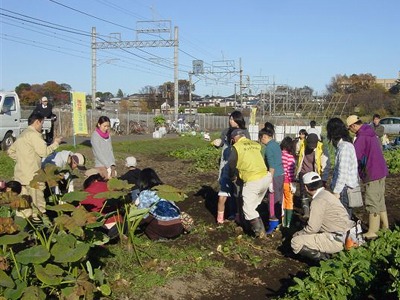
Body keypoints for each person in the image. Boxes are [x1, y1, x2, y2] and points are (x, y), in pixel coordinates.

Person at [7, 112, 62, 220]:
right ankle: (39, 231)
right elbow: (44, 152)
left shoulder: (22, 134)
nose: (42, 127)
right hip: (33, 178)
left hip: (20, 177)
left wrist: (22, 159)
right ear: (37, 122)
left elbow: (10, 151)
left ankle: (24, 232)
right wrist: (56, 143)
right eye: (42, 123)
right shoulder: (34, 135)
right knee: (38, 207)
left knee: (23, 207)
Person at [291, 172, 355, 262]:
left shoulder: (317, 201)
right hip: (350, 234)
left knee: (295, 242)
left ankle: (326, 262)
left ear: (306, 187)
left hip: (338, 239)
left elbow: (312, 228)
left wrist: (298, 234)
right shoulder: (328, 194)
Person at [347, 115, 389, 239]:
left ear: (354, 125)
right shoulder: (370, 132)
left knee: (372, 202)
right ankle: (385, 227)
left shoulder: (361, 137)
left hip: (372, 172)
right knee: (380, 200)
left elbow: (355, 157)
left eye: (350, 128)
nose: (350, 131)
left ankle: (373, 231)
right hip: (381, 171)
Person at [228, 129, 271, 238]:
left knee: (247, 208)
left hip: (253, 179)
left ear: (234, 139)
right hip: (265, 176)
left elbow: (232, 163)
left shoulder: (237, 147)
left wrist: (233, 175)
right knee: (253, 205)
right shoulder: (255, 144)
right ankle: (260, 228)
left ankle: (259, 232)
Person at [212, 110, 250, 224]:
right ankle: (230, 214)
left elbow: (246, 148)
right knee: (226, 188)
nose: (230, 121)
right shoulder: (226, 131)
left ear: (238, 120)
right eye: (230, 118)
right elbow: (223, 143)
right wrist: (219, 143)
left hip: (239, 165)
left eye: (233, 119)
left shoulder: (244, 132)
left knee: (238, 190)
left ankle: (239, 215)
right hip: (226, 164)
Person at [136, 168, 184, 240]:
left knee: (143, 218)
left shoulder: (144, 193)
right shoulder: (164, 190)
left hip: (165, 229)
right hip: (179, 226)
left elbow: (142, 213)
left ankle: (156, 237)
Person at [326, 118, 359, 218]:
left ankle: (346, 234)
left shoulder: (344, 147)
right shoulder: (343, 146)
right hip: (343, 189)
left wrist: (336, 192)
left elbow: (343, 173)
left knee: (343, 218)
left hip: (344, 190)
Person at [295, 133, 330, 219]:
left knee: (316, 192)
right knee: (303, 191)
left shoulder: (321, 148)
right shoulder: (301, 144)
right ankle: (306, 212)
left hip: (315, 173)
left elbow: (326, 164)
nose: (311, 147)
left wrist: (324, 179)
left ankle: (316, 210)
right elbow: (296, 152)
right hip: (303, 171)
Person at [81, 169, 122, 239]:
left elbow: (79, 208)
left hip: (102, 227)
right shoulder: (111, 187)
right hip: (119, 224)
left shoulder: (85, 193)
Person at [259, 128, 284, 234]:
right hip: (281, 175)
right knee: (279, 199)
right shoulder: (276, 144)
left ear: (264, 137)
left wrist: (269, 181)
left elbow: (272, 166)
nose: (261, 141)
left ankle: (273, 222)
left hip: (274, 176)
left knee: (272, 200)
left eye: (261, 138)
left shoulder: (269, 148)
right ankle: (279, 221)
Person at [280, 137, 296, 228]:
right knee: (289, 201)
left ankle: (281, 221)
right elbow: (290, 171)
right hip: (287, 182)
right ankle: (287, 223)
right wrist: (292, 182)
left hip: (278, 181)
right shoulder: (290, 157)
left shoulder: (279, 155)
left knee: (281, 201)